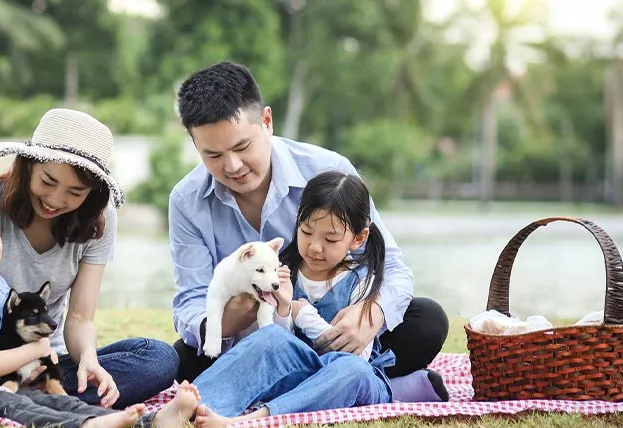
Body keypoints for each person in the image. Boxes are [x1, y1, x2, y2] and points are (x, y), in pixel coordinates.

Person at [168, 61, 449, 387]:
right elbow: (191, 300)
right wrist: (227, 319)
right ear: (195, 146)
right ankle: (376, 386)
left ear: (267, 121)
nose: (233, 166)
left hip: (336, 331)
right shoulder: (187, 201)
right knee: (188, 358)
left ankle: (322, 382)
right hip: (254, 337)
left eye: (242, 146)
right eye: (213, 155)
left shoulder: (329, 170)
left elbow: (392, 268)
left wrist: (369, 315)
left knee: (426, 321)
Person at [0, 109, 180, 409]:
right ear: (28, 166)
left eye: (75, 192)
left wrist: (88, 361)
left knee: (159, 359)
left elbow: (80, 318)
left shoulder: (99, 219)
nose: (54, 200)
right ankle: (20, 398)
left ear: (92, 193)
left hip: (43, 362)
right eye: (48, 181)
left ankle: (25, 396)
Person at [0, 186, 199, 428]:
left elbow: (10, 336)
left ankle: (152, 421)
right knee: (13, 405)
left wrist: (40, 359)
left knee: (51, 398)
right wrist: (36, 349)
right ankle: (84, 427)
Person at [191, 171, 448, 428]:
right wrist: (282, 308)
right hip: (301, 374)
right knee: (267, 339)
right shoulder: (282, 271)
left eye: (330, 239)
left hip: (346, 377)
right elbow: (275, 343)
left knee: (351, 371)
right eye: (306, 231)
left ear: (358, 238)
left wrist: (303, 315)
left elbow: (355, 354)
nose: (315, 247)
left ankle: (247, 422)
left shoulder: (361, 281)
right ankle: (190, 405)